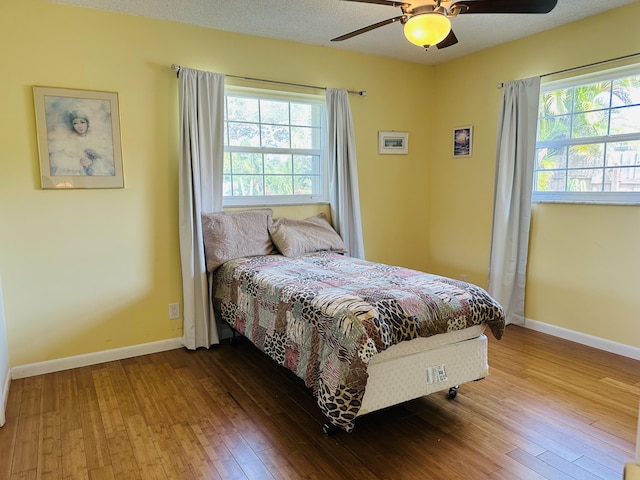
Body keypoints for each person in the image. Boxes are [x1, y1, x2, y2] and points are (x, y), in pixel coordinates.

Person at [48, 110, 115, 176]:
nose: (79, 126)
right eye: (75, 123)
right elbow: (57, 159)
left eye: (82, 122)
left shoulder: (95, 139)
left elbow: (105, 157)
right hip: (76, 173)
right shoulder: (68, 140)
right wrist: (78, 161)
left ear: (87, 123)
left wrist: (96, 156)